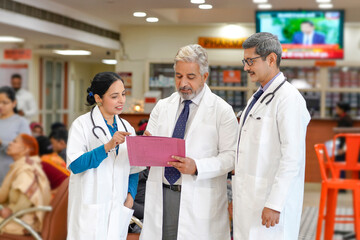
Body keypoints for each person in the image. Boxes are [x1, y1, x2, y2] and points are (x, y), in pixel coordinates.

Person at [140, 44, 238, 240]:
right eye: (178, 76)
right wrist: (145, 147)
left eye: (190, 77)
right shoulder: (162, 107)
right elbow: (149, 142)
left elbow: (231, 157)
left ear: (205, 76)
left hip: (199, 196)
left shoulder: (222, 111)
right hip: (162, 193)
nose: (183, 83)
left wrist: (197, 167)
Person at [232, 32, 310, 240]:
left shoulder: (288, 99)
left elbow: (292, 157)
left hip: (270, 204)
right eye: (245, 61)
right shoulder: (258, 97)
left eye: (251, 61)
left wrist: (275, 204)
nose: (246, 67)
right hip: (249, 199)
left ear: (271, 59)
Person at [66, 72, 144, 240]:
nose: (121, 100)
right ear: (98, 98)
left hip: (118, 207)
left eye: (123, 94)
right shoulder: (82, 125)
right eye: (114, 96)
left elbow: (134, 167)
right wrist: (107, 146)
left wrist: (130, 196)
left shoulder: (127, 126)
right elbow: (76, 165)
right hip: (90, 208)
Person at [0, 134, 51, 235]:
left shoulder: (26, 169)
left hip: (24, 223)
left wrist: (11, 209)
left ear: (26, 149)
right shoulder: (23, 166)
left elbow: (27, 198)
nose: (10, 143)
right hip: (18, 218)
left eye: (15, 141)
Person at [0, 86, 31, 184]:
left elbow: (26, 148)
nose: (0, 106)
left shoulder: (21, 122)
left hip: (12, 174)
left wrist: (2, 143)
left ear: (14, 103)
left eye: (5, 103)